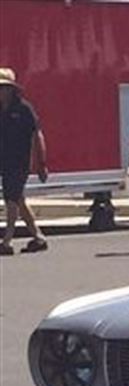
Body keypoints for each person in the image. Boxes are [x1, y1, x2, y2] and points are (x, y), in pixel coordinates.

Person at [0, 68, 48, 256]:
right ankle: (38, 237)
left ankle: (6, 241)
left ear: (12, 89)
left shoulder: (24, 109)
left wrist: (41, 162)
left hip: (20, 162)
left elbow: (37, 135)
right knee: (18, 199)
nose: (1, 92)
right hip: (4, 160)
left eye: (5, 88)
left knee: (11, 199)